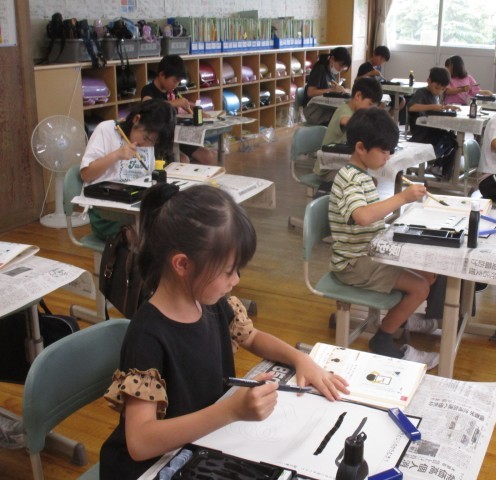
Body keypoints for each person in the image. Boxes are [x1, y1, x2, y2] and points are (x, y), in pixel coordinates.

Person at [99, 184, 350, 479]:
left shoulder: (212, 304)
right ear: (182, 264)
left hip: (204, 444)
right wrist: (231, 410)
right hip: (155, 466)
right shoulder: (147, 335)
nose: (236, 280)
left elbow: (252, 337)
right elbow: (140, 443)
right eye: (228, 271)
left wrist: (300, 359)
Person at [329, 107, 440, 369]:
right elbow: (363, 216)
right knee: (420, 287)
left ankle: (401, 319)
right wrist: (402, 198)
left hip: (368, 252)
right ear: (360, 147)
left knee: (428, 274)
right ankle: (383, 339)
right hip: (354, 263)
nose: (388, 157)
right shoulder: (350, 180)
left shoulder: (361, 175)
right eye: (384, 151)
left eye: (390, 151)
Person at [80, 98, 176, 240]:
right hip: (105, 213)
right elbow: (86, 174)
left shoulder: (147, 143)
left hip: (136, 207)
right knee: (151, 234)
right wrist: (116, 155)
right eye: (146, 138)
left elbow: (147, 179)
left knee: (174, 222)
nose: (146, 145)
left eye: (153, 143)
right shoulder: (106, 130)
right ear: (136, 119)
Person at [141, 54, 215, 165]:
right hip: (161, 141)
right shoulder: (148, 90)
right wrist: (175, 103)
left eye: (178, 82)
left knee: (209, 156)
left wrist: (196, 109)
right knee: (183, 161)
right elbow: (148, 106)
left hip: (178, 137)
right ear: (161, 75)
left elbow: (184, 103)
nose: (176, 85)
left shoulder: (172, 91)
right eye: (175, 81)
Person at [314, 77, 383, 180]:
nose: (370, 109)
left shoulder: (358, 113)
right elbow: (345, 121)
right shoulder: (344, 110)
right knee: (359, 180)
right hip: (328, 169)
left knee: (370, 179)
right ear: (358, 96)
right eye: (370, 104)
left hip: (342, 164)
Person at [407, 66, 460, 179]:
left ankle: (441, 170)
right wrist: (433, 106)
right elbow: (411, 107)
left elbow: (435, 109)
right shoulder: (421, 93)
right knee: (447, 140)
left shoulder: (435, 95)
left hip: (432, 130)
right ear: (429, 81)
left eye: (442, 89)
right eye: (437, 88)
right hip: (422, 133)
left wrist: (446, 107)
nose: (439, 91)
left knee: (454, 140)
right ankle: (434, 164)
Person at [302, 47, 352, 126]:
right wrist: (332, 90)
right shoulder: (319, 69)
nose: (341, 69)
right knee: (340, 120)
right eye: (340, 65)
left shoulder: (331, 71)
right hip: (313, 110)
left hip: (324, 107)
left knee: (344, 115)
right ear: (332, 59)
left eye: (343, 67)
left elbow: (330, 89)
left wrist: (341, 90)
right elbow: (310, 92)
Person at [355, 45, 406, 114]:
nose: (381, 62)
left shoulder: (377, 68)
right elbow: (357, 81)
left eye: (383, 60)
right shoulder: (365, 66)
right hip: (368, 94)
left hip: (378, 93)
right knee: (383, 104)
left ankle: (387, 117)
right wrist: (370, 73)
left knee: (402, 101)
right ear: (374, 54)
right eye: (381, 58)